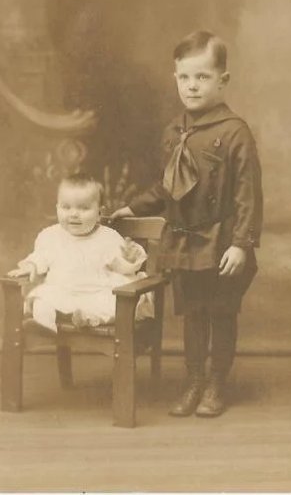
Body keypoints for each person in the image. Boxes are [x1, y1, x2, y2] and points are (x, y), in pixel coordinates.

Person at [111, 30, 263, 417]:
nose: (193, 86)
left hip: (222, 242)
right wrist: (132, 207)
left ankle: (216, 383)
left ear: (222, 80)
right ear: (175, 77)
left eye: (203, 77)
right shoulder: (174, 131)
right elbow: (168, 186)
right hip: (186, 242)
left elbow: (248, 194)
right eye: (185, 78)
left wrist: (241, 244)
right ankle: (194, 380)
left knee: (221, 312)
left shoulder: (234, 132)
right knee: (194, 314)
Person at [8, 173, 153, 335]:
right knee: (42, 297)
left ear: (99, 212)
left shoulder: (108, 237)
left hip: (97, 292)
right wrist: (30, 266)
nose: (74, 214)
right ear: (57, 208)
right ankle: (45, 325)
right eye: (66, 207)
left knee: (113, 303)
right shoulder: (50, 236)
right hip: (63, 291)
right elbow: (39, 258)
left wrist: (130, 258)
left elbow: (124, 269)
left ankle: (86, 317)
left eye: (83, 208)